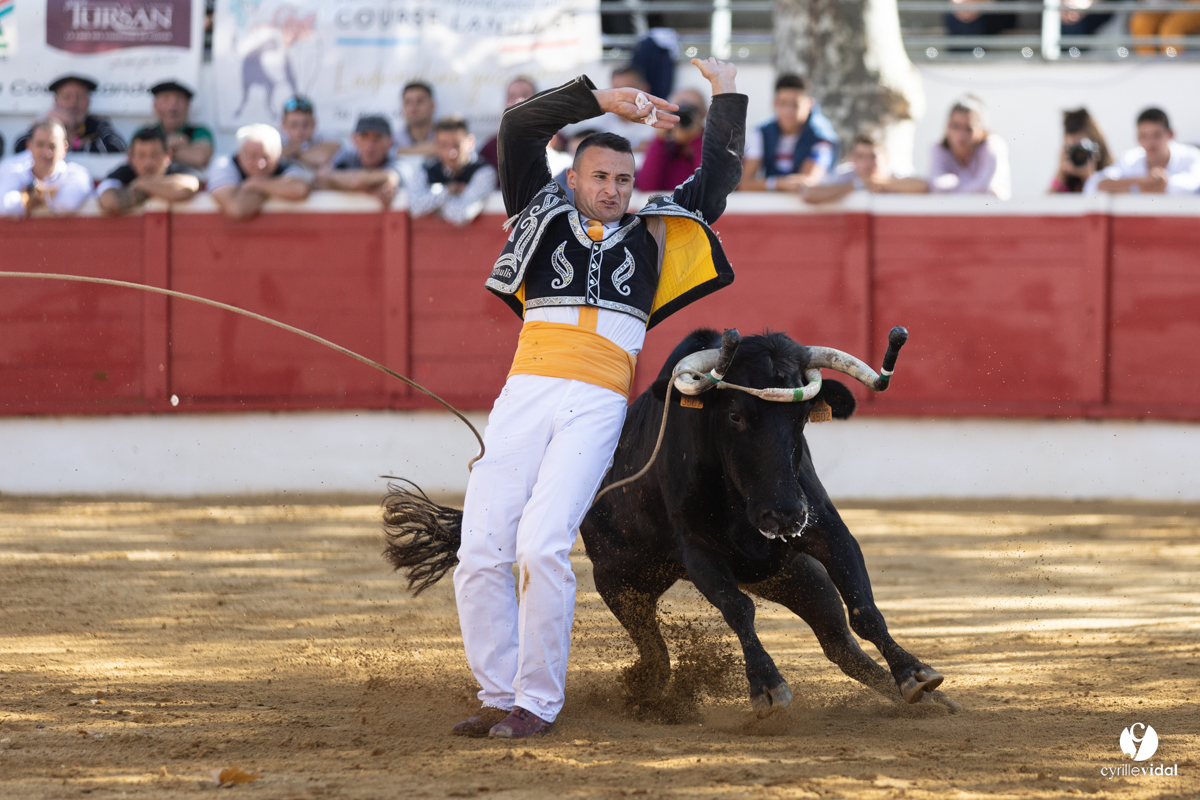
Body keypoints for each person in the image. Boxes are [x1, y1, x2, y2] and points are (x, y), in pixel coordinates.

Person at [451, 57, 744, 740]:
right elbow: (518, 128)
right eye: (600, 177)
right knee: (480, 549)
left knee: (544, 544)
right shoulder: (538, 211)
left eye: (623, 180)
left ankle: (537, 703)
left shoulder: (652, 234)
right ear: (573, 178)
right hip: (524, 393)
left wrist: (726, 94)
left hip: (596, 401)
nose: (612, 190)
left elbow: (719, 181)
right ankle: (498, 692)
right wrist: (602, 101)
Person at [739, 74, 838, 192]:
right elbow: (744, 184)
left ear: (810, 105)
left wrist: (769, 184)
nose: (788, 111)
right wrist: (778, 184)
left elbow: (808, 183)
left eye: (795, 104)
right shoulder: (760, 132)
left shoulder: (821, 136)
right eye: (783, 103)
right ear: (774, 103)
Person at [208, 124, 313, 220]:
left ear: (279, 154)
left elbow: (300, 189)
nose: (260, 164)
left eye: (266, 156)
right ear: (240, 154)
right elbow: (237, 209)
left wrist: (255, 184)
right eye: (252, 156)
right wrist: (275, 188)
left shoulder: (288, 165)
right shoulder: (224, 165)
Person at [1085, 107, 1200, 195]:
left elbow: (1193, 186)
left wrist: (1134, 186)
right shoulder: (1129, 159)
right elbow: (1094, 185)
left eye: (1157, 135)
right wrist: (1143, 182)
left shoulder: (1192, 156)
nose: (1150, 142)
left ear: (1170, 134)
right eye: (1144, 136)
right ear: (1138, 138)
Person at [406, 118, 496, 226]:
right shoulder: (427, 169)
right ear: (436, 144)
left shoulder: (484, 172)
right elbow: (414, 208)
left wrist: (433, 199)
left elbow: (461, 214)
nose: (451, 153)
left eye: (456, 145)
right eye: (444, 145)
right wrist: (449, 190)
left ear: (470, 142)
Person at [96, 127, 202, 214]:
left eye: (154, 155)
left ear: (168, 156)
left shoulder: (178, 168)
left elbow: (187, 188)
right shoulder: (123, 171)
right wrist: (160, 189)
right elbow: (108, 201)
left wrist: (142, 184)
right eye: (142, 156)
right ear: (131, 158)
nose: (148, 163)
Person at [0, 119, 93, 217]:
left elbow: (66, 205)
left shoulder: (78, 174)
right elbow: (4, 206)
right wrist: (47, 195)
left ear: (64, 148)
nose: (46, 152)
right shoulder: (13, 169)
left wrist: (36, 193)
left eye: (52, 146)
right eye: (40, 144)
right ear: (29, 146)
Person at [803, 133, 928, 204]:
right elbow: (810, 193)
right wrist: (857, 185)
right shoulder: (845, 176)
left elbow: (922, 186)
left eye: (873, 157)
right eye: (860, 156)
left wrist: (877, 183)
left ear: (886, 158)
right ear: (851, 159)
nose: (867, 163)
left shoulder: (895, 173)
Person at [14, 75, 126, 154]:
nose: (73, 102)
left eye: (80, 97)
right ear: (56, 100)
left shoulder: (97, 124)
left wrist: (73, 145)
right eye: (67, 97)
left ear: (89, 101)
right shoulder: (45, 123)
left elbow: (117, 146)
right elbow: (20, 146)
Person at [928, 97, 1011, 200]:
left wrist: (953, 185)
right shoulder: (938, 148)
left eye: (968, 129)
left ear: (981, 129)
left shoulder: (993, 146)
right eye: (955, 126)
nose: (961, 135)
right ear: (947, 128)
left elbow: (986, 188)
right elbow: (935, 185)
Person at [560, 67, 658, 152]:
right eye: (617, 91)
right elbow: (578, 143)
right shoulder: (601, 115)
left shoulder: (660, 117)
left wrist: (608, 145)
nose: (623, 96)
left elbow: (664, 147)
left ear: (645, 88)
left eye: (629, 89)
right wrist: (638, 144)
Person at [315, 115, 403, 207]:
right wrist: (371, 189)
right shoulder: (347, 156)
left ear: (390, 143)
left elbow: (390, 176)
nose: (370, 146)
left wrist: (333, 178)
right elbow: (319, 181)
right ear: (354, 139)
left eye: (377, 138)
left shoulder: (398, 162)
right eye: (364, 137)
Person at [635, 87, 707, 192]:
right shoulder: (663, 147)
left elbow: (709, 187)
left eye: (692, 109)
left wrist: (696, 140)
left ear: (704, 113)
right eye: (677, 110)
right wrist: (659, 139)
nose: (683, 115)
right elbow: (646, 187)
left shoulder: (714, 145)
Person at [147, 81, 214, 170]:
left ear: (188, 106)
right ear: (155, 106)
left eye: (178, 100)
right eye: (166, 99)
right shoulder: (145, 132)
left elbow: (200, 158)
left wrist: (157, 152)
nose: (172, 108)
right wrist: (176, 144)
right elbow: (135, 159)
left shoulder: (199, 131)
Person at [479, 77, 538, 171]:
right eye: (512, 96)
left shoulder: (555, 141)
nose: (519, 101)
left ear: (537, 99)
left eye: (525, 94)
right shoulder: (491, 147)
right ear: (506, 102)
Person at [1050, 108, 1113, 193]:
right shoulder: (1066, 179)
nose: (1077, 154)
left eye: (1081, 148)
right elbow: (1045, 204)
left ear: (1095, 149)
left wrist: (1089, 178)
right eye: (1071, 148)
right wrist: (1060, 176)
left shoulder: (1111, 173)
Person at [279, 96, 341, 170]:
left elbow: (322, 158)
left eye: (305, 124)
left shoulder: (327, 136)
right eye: (294, 125)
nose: (300, 130)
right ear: (283, 124)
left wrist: (293, 152)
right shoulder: (275, 140)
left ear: (314, 123)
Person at [1131, 0, 1200, 54]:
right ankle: (1148, 63)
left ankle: (1175, 64)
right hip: (1162, 5)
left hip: (1192, 4)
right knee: (1141, 23)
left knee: (1170, 29)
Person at [395, 81, 437, 156]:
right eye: (408, 102)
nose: (413, 108)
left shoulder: (446, 134)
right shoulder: (394, 139)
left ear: (432, 106)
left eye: (420, 101)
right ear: (402, 107)